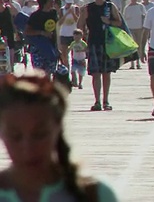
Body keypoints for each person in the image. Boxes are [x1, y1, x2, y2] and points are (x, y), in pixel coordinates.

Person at [0, 70, 118, 201]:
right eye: (15, 136)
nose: (27, 147)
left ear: (58, 127)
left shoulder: (95, 194)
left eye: (40, 134)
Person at [77, 0, 122, 111]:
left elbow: (119, 22)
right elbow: (80, 24)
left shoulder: (110, 6)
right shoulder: (88, 8)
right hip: (93, 42)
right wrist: (80, 40)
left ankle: (106, 100)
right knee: (96, 73)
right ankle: (97, 101)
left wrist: (109, 22)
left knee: (106, 73)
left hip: (107, 43)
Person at [25, 0, 59, 76]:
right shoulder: (35, 16)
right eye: (51, 1)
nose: (52, 3)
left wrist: (58, 47)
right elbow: (27, 31)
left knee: (49, 73)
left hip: (51, 47)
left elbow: (56, 30)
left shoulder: (53, 13)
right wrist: (41, 33)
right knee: (39, 74)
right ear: (45, 2)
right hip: (38, 48)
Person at [123, 0, 146, 69]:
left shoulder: (140, 6)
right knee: (132, 46)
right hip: (130, 28)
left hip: (139, 28)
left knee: (138, 45)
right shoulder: (127, 8)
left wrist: (144, 26)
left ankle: (138, 63)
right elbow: (124, 18)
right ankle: (132, 63)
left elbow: (144, 16)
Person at [57, 0, 79, 68]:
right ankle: (66, 68)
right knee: (64, 54)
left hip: (74, 34)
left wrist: (72, 13)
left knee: (75, 54)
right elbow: (60, 22)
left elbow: (78, 21)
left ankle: (74, 71)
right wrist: (66, 14)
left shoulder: (76, 8)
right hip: (64, 34)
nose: (69, 4)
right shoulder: (62, 10)